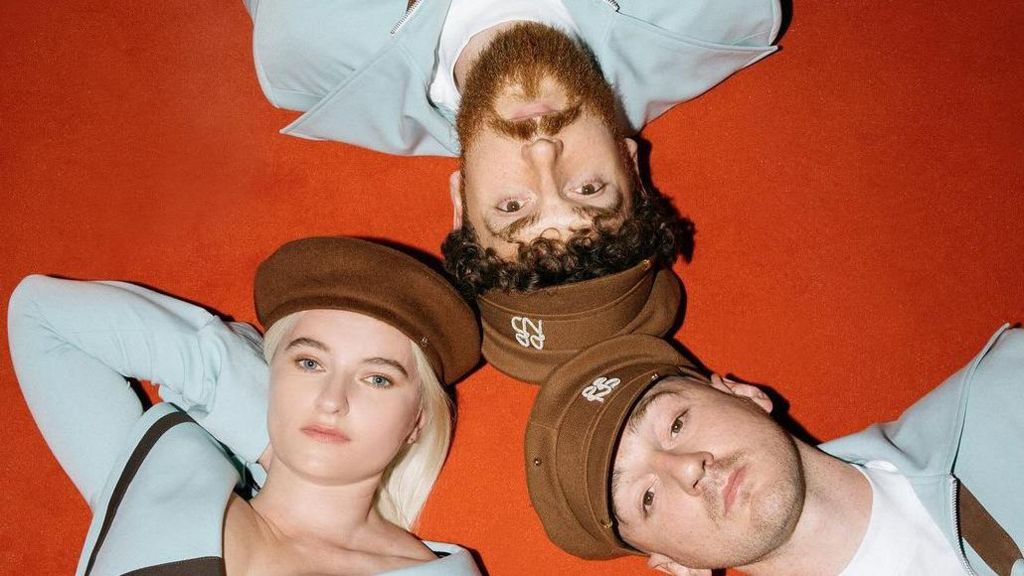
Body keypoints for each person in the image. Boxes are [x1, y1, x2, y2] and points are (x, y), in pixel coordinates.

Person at [7, 236, 483, 575]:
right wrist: (265, 433)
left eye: (377, 378)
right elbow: (41, 314)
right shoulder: (159, 488)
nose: (332, 401)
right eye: (310, 363)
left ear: (417, 422)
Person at [242, 1, 782, 295]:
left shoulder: (301, 54)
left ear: (461, 200)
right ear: (630, 164)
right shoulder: (721, 11)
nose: (544, 153)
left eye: (513, 207)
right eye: (589, 189)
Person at [524, 330, 1024, 575]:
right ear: (671, 562)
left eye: (676, 423)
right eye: (646, 498)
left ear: (743, 394)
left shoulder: (1009, 391)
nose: (686, 468)